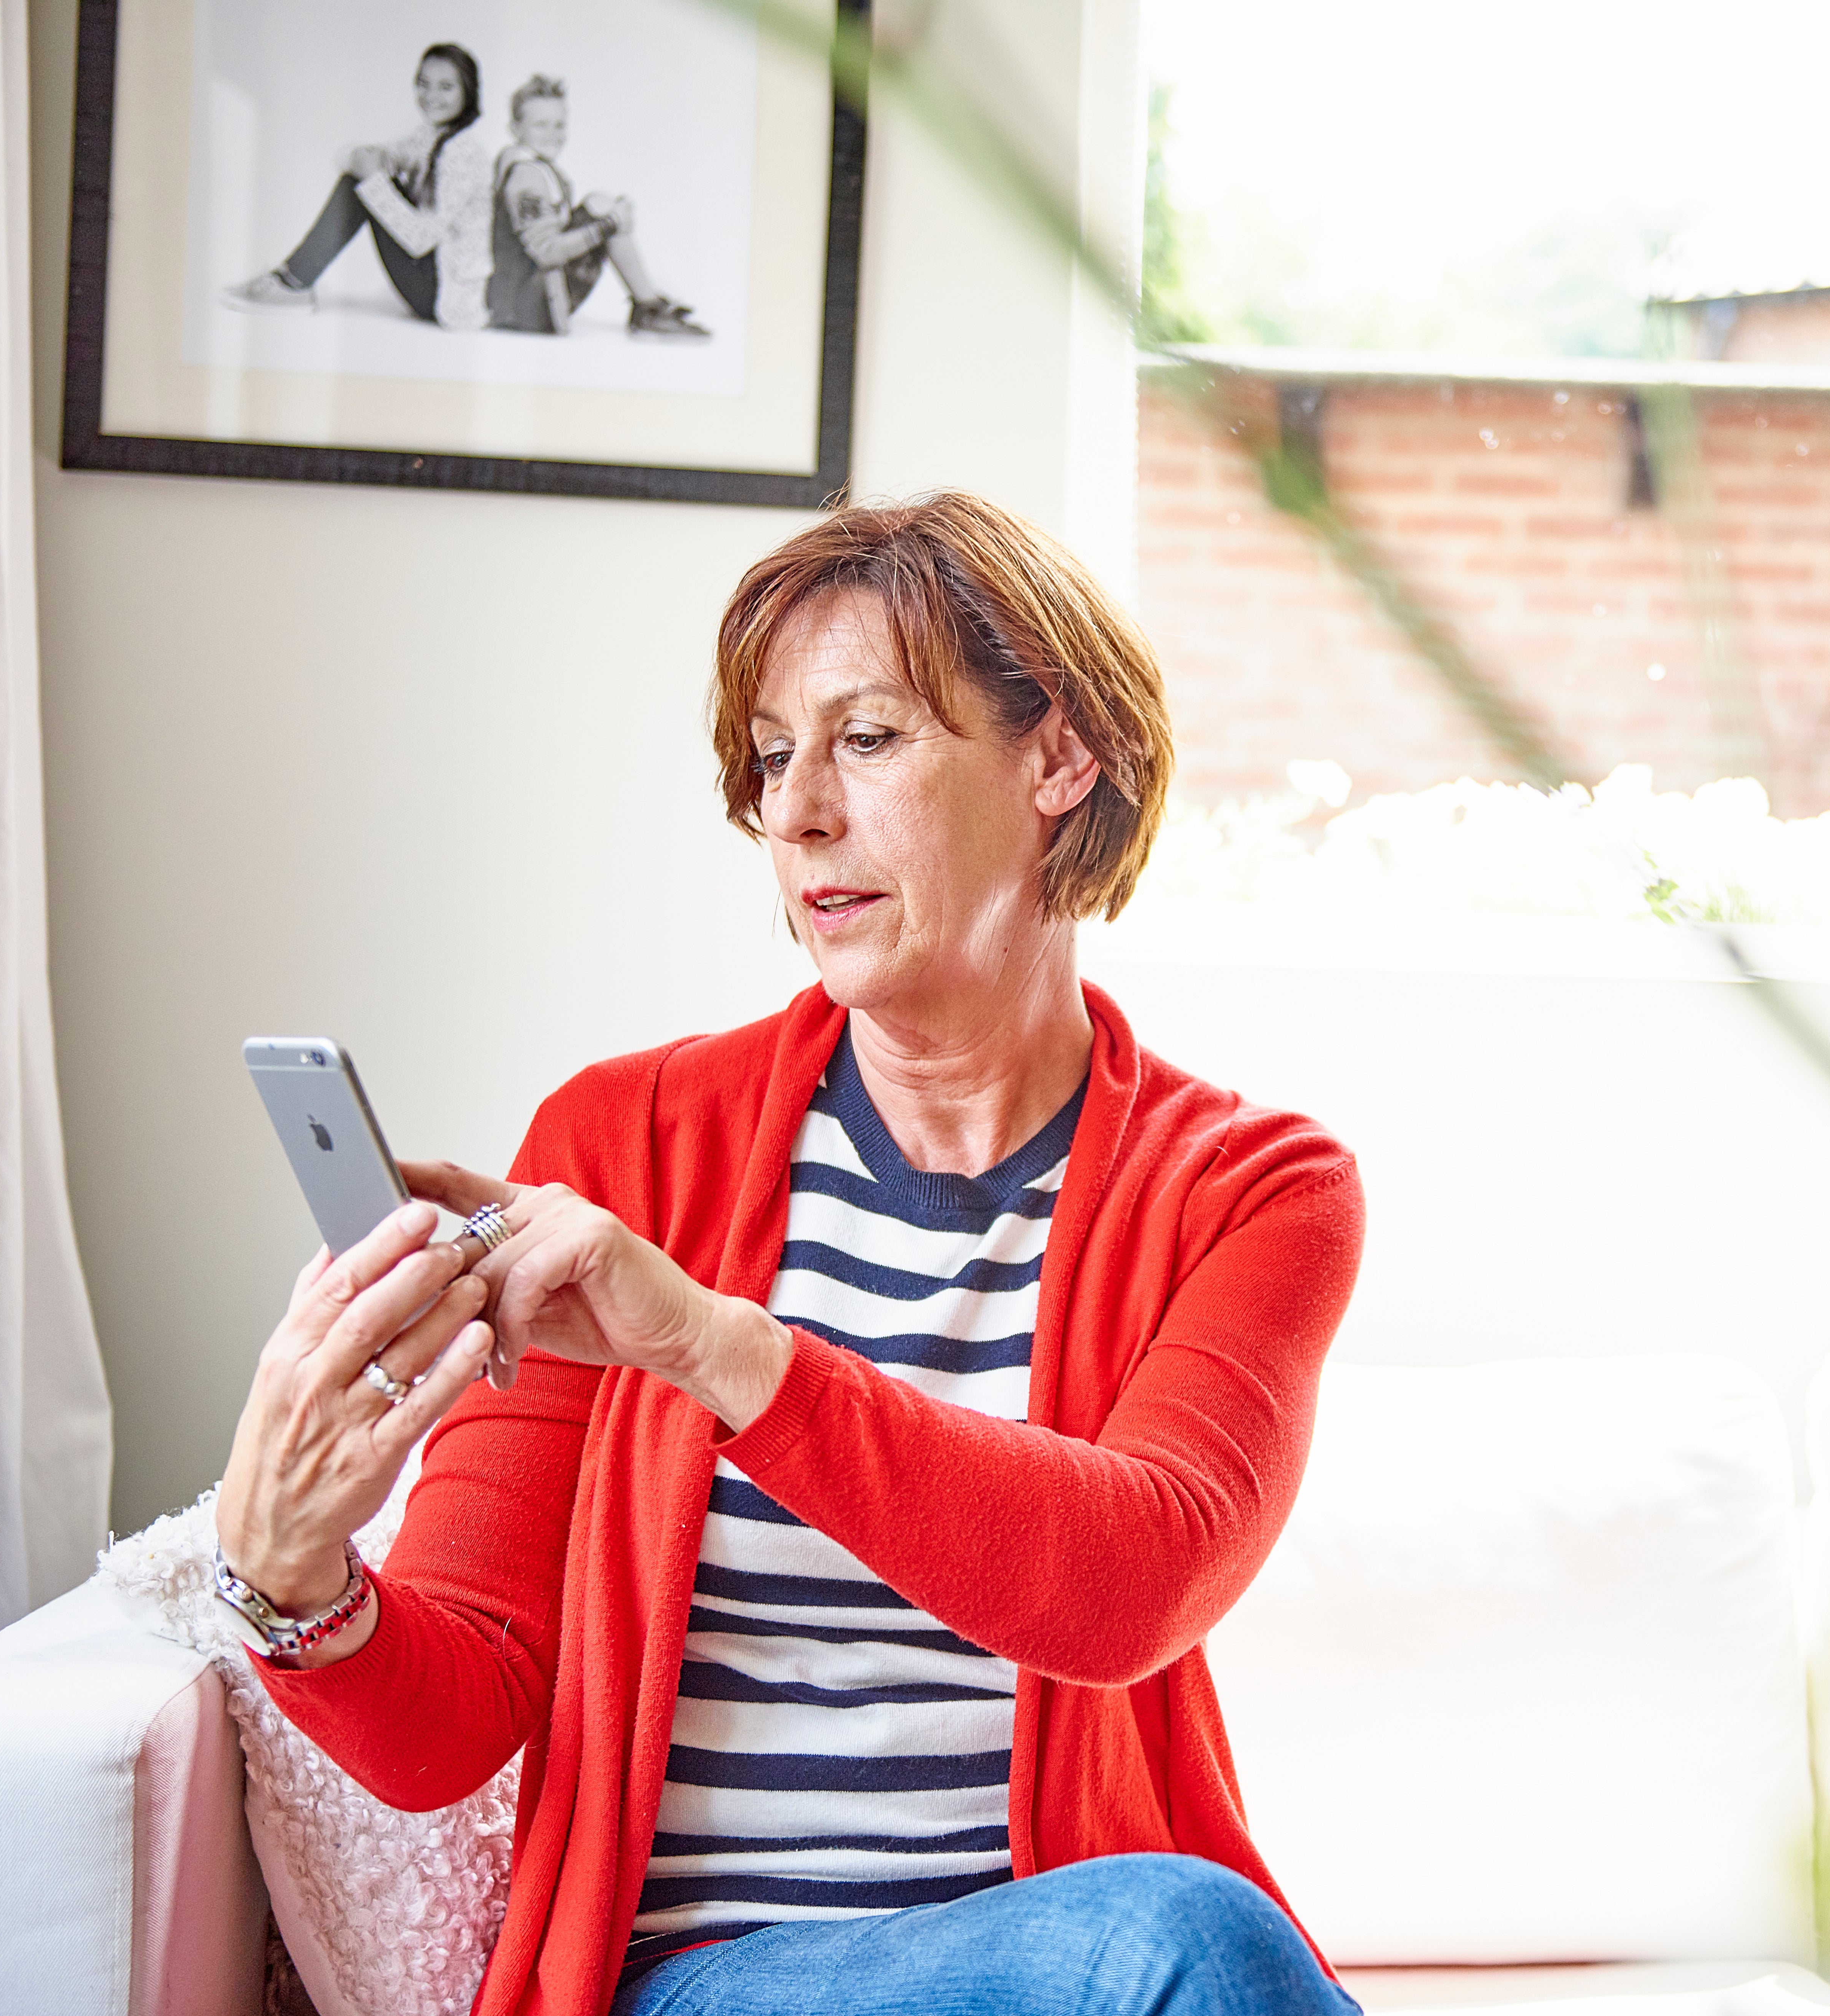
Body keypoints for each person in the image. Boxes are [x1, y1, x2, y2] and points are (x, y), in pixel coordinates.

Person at [208, 493, 1367, 2016]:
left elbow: (1126, 1586)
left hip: (1064, 1967)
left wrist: (714, 1345)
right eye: (769, 757)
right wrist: (297, 1577)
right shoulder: (626, 1142)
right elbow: (450, 1723)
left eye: (867, 738)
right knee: (1185, 1950)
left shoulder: (1249, 1189)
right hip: (707, 1986)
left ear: (1057, 758)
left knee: (1174, 1946)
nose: (798, 812)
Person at [223, 44, 492, 330]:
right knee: (361, 180)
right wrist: (364, 158)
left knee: (362, 185)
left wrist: (372, 179)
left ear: (469, 90)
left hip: (447, 297)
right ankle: (292, 279)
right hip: (433, 277)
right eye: (423, 84)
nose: (431, 97)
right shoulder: (433, 135)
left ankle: (293, 282)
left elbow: (421, 241)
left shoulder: (464, 153)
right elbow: (383, 155)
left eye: (446, 87)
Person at [487, 74, 712, 340]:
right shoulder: (527, 176)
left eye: (560, 125)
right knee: (604, 211)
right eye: (541, 125)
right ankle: (648, 309)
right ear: (515, 129)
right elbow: (546, 252)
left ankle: (647, 305)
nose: (554, 135)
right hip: (526, 311)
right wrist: (609, 226)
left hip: (521, 301)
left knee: (600, 202)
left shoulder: (535, 166)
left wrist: (606, 217)